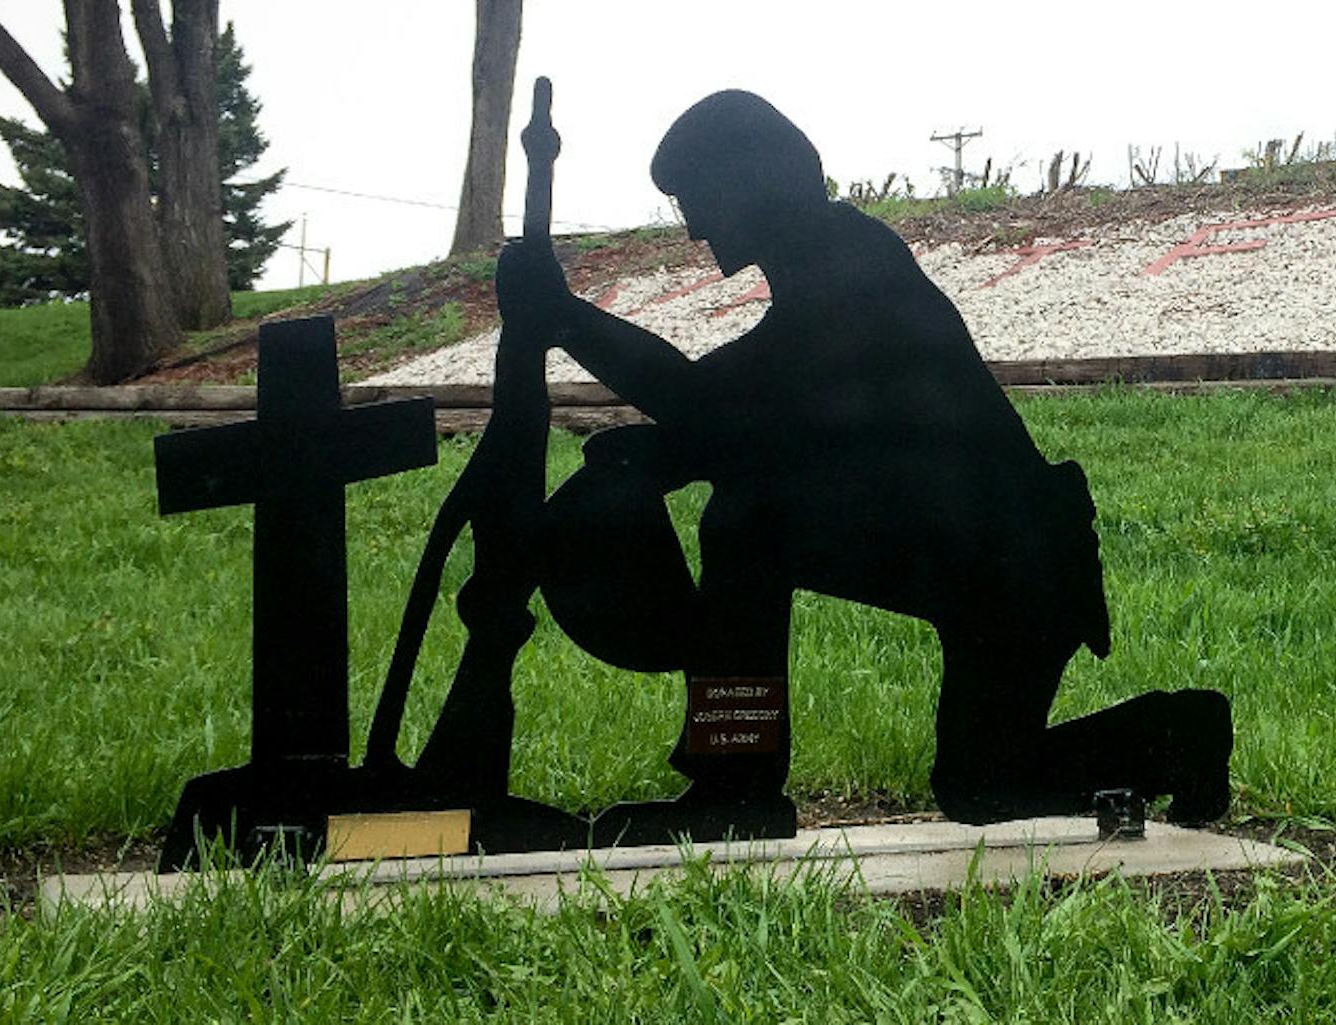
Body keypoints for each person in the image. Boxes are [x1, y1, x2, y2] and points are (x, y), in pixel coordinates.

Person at [492, 90, 1230, 835]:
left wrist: (565, 318)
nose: (692, 227)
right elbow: (775, 418)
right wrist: (670, 445)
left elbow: (717, 401)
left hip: (1014, 565)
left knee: (982, 782)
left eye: (698, 199)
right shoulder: (829, 265)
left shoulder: (851, 264)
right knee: (750, 521)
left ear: (749, 181)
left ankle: (1176, 733)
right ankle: (736, 781)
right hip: (970, 553)